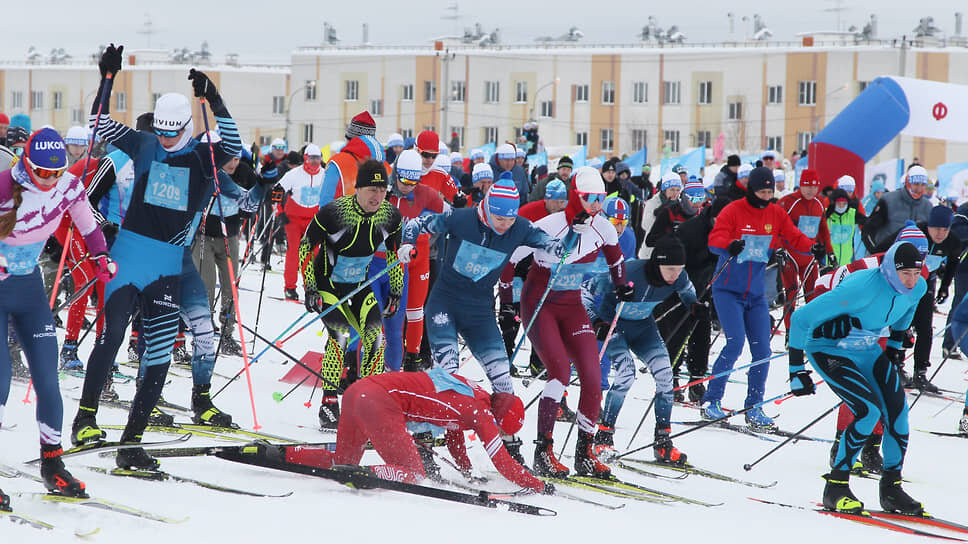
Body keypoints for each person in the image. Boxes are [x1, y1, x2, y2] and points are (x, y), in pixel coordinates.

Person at [72, 46, 242, 472]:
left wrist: (215, 100)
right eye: (162, 133)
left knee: (159, 353)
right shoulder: (146, 143)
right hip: (129, 254)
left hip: (167, 265)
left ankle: (131, 443)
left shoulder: (203, 156)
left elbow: (235, 145)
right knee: (111, 337)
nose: (165, 140)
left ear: (186, 127)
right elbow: (98, 125)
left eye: (172, 134)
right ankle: (84, 420)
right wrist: (107, 78)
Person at [403, 175, 570, 464]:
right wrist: (407, 244)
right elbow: (416, 224)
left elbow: (551, 244)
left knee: (502, 377)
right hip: (445, 305)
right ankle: (424, 437)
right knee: (448, 374)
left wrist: (564, 245)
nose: (504, 225)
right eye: (499, 218)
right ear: (487, 208)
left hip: (480, 313)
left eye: (509, 219)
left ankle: (508, 444)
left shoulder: (520, 227)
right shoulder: (461, 219)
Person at [0, 127, 117, 498]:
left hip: (29, 291)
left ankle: (53, 464)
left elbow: (88, 226)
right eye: (42, 172)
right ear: (27, 164)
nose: (50, 179)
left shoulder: (68, 186)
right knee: (1, 381)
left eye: (57, 171)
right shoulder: (4, 186)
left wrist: (101, 256)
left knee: (48, 379)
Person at [788, 241, 927, 515]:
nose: (911, 280)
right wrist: (796, 370)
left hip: (866, 349)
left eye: (915, 272)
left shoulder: (918, 287)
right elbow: (801, 318)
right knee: (867, 410)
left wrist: (895, 348)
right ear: (890, 270)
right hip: (829, 348)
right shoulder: (862, 285)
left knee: (898, 413)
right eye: (905, 273)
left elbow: (906, 312)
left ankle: (891, 489)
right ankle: (836, 487)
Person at [509, 166, 630, 478]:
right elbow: (512, 256)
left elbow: (616, 259)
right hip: (540, 304)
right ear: (575, 196)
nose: (595, 205)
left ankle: (584, 452)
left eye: (600, 198)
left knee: (592, 375)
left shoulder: (603, 227)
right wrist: (506, 296)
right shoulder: (548, 225)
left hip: (572, 305)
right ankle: (544, 451)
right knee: (560, 373)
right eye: (589, 198)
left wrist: (622, 286)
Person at [250, 369, 549, 493]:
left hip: (358, 392)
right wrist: (537, 485)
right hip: (380, 403)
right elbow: (503, 462)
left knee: (341, 461)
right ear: (500, 420)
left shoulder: (474, 394)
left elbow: (454, 432)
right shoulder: (482, 414)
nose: (497, 433)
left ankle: (279, 454)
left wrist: (466, 470)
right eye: (502, 430)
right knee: (414, 473)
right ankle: (369, 474)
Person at [702, 167, 824, 429]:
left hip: (756, 295)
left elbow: (794, 236)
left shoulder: (776, 213)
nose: (766, 197)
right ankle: (711, 400)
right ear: (752, 190)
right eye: (762, 192)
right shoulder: (734, 210)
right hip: (728, 291)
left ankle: (754, 406)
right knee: (735, 344)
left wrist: (811, 246)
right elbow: (714, 239)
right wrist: (729, 245)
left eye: (770, 192)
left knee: (763, 351)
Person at [808, 221, 928, 475]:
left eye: (922, 254)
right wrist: (827, 320)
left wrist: (901, 334)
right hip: (855, 334)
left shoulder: (919, 273)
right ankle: (840, 444)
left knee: (885, 393)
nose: (918, 259)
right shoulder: (871, 265)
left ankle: (872, 449)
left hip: (883, 334)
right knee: (862, 391)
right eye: (912, 250)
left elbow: (908, 306)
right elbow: (828, 281)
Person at [299, 160, 403, 429]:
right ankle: (329, 404)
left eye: (383, 190)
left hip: (358, 285)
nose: (377, 196)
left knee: (376, 339)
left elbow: (394, 254)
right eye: (372, 190)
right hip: (327, 284)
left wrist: (396, 290)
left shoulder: (391, 216)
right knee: (340, 336)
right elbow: (306, 246)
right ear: (358, 188)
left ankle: (366, 402)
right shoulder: (335, 212)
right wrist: (310, 287)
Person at [584, 236, 701, 464]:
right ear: (657, 263)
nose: (675, 274)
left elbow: (688, 292)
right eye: (670, 269)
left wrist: (695, 306)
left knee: (666, 375)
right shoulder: (627, 272)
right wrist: (596, 322)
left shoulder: (679, 276)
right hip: (614, 325)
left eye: (680, 269)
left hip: (643, 328)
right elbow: (584, 292)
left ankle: (662, 441)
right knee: (626, 373)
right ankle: (604, 436)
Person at [873, 206, 961, 391]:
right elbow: (880, 250)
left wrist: (944, 287)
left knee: (925, 327)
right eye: (936, 228)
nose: (940, 234)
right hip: (900, 283)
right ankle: (896, 364)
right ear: (928, 226)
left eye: (945, 229)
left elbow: (953, 263)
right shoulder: (915, 233)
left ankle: (920, 372)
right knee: (901, 324)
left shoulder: (952, 240)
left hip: (925, 284)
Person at [386, 149, 444, 371]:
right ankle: (389, 355)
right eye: (404, 181)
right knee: (391, 309)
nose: (408, 186)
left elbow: (448, 216)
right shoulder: (385, 193)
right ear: (396, 174)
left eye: (414, 182)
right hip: (393, 258)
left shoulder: (426, 193)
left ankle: (413, 358)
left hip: (419, 257)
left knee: (416, 310)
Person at [776, 167, 832, 334]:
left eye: (814, 186)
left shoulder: (819, 203)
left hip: (809, 257)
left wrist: (829, 252)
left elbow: (823, 230)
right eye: (807, 186)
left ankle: (811, 331)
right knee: (791, 294)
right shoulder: (788, 202)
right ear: (800, 185)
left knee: (812, 295)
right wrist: (778, 248)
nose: (810, 190)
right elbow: (776, 227)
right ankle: (789, 333)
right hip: (790, 255)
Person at [276, 144, 324, 301]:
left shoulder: (324, 175)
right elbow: (276, 191)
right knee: (294, 252)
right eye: (311, 158)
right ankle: (290, 287)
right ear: (305, 158)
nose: (314, 162)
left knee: (313, 253)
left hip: (313, 219)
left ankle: (311, 286)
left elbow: (332, 195)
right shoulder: (294, 174)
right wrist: (280, 212)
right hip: (293, 219)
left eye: (317, 158)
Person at [862, 165, 933, 252]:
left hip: (914, 257)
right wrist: (874, 251)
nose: (919, 189)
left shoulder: (928, 207)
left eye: (923, 185)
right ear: (908, 182)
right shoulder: (888, 200)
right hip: (886, 255)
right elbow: (868, 229)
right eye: (916, 184)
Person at [637, 172, 682, 259]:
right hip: (651, 252)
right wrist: (656, 215)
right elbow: (645, 225)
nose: (675, 193)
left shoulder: (681, 205)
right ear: (664, 190)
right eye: (672, 190)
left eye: (677, 190)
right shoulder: (652, 203)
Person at [825, 188, 867, 268]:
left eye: (844, 204)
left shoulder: (852, 214)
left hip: (846, 264)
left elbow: (868, 222)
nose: (841, 206)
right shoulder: (826, 215)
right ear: (833, 203)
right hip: (829, 263)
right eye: (838, 204)